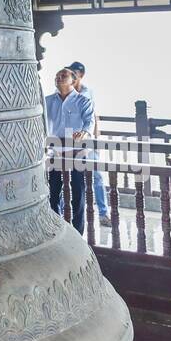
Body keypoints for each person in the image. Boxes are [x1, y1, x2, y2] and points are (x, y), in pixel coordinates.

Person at [45, 67, 94, 235]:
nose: (59, 78)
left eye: (63, 76)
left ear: (73, 81)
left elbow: (89, 122)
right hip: (55, 153)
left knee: (78, 195)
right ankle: (55, 229)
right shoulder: (48, 101)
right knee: (53, 192)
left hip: (77, 153)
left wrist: (85, 132)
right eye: (57, 75)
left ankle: (78, 233)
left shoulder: (83, 101)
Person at [68, 61, 111, 227]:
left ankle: (103, 213)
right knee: (70, 176)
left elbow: (94, 117)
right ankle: (68, 211)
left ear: (81, 75)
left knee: (96, 176)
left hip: (88, 140)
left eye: (74, 73)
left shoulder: (87, 93)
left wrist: (95, 138)